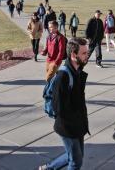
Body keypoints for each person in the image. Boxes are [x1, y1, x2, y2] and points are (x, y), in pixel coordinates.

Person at [39, 38, 89, 170]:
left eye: (87, 52)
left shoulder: (77, 70)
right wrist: (73, 123)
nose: (87, 56)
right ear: (73, 54)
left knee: (76, 156)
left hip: (78, 124)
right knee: (75, 162)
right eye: (84, 53)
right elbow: (59, 108)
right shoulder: (63, 76)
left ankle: (48, 168)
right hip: (68, 126)